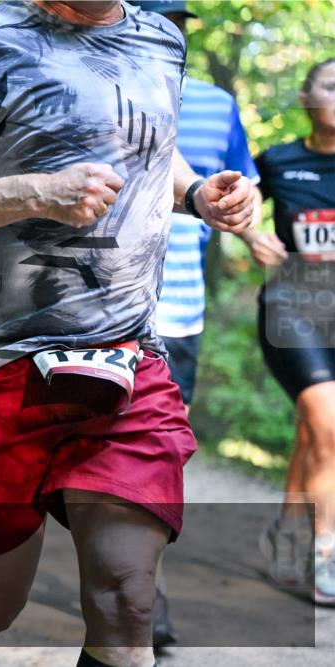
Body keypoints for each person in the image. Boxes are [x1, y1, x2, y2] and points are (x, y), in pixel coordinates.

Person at [0, 2, 256, 666]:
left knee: (127, 596)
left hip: (127, 358)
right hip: (0, 365)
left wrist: (198, 192)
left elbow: (149, 144)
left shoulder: (159, 41)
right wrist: (37, 192)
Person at [131, 0, 263, 647]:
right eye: (155, 20)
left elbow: (248, 186)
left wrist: (244, 205)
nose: (167, 33)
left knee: (155, 462)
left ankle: (142, 592)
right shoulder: (98, 82)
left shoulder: (215, 103)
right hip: (90, 313)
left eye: (177, 22)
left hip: (178, 308)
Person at [242, 57, 335, 606]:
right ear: (306, 97)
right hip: (292, 307)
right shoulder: (278, 161)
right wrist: (252, 235)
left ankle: (286, 534)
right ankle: (327, 553)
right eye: (331, 85)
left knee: (315, 432)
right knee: (329, 422)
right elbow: (228, 202)